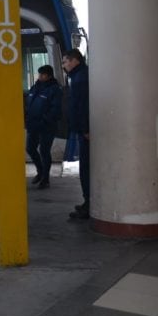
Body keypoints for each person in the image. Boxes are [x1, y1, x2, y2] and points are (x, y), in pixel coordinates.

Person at [62, 49, 90, 220]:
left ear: (74, 61)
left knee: (86, 169)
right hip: (82, 130)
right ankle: (87, 202)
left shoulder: (80, 79)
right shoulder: (78, 77)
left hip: (84, 131)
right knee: (85, 169)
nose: (64, 65)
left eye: (65, 62)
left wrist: (85, 129)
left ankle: (89, 204)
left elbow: (83, 106)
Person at [24, 64, 63, 189]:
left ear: (49, 76)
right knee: (30, 148)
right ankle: (40, 171)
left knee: (44, 151)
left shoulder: (54, 89)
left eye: (42, 74)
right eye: (39, 74)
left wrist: (45, 120)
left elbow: (55, 109)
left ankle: (45, 179)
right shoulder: (35, 87)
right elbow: (28, 104)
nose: (40, 76)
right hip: (33, 125)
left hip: (46, 126)